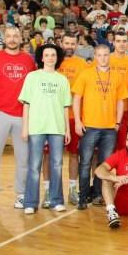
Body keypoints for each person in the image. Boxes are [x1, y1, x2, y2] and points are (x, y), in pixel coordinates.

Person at [0, 26, 36, 212]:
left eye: (15, 36)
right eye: (9, 36)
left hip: (22, 114)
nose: (12, 39)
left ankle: (21, 194)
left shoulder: (28, 60)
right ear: (3, 39)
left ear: (21, 39)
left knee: (24, 158)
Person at [73, 43, 128, 209]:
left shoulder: (116, 76)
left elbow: (120, 101)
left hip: (110, 128)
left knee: (103, 165)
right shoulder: (86, 74)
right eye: (100, 55)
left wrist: (118, 123)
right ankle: (83, 197)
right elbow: (76, 98)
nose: (103, 58)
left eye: (106, 55)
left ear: (109, 56)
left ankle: (98, 194)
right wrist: (78, 121)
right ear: (95, 57)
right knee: (85, 163)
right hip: (89, 126)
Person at [19, 43, 71, 214]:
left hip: (57, 127)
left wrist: (67, 130)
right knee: (34, 166)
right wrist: (25, 128)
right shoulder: (32, 77)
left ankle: (56, 201)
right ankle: (30, 202)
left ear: (57, 58)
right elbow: (26, 105)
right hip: (36, 127)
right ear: (41, 57)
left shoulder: (62, 80)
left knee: (57, 164)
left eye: (53, 55)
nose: (50, 58)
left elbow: (65, 107)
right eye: (47, 55)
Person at [54, 32, 86, 204]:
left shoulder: (82, 64)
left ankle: (73, 190)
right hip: (54, 117)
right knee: (52, 156)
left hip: (75, 117)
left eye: (73, 44)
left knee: (74, 154)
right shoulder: (53, 61)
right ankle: (51, 191)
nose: (70, 47)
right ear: (61, 43)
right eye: (67, 43)